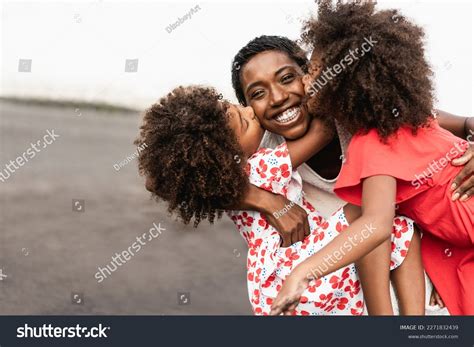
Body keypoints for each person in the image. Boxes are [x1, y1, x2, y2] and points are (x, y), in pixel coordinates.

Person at [135, 85, 418, 315]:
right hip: (296, 270)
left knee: (393, 227)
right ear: (226, 153)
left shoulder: (220, 181)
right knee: (371, 213)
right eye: (244, 121)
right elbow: (324, 130)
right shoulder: (262, 166)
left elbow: (155, 182)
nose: (251, 111)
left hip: (271, 290)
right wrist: (314, 85)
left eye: (241, 108)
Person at [269, 0, 473, 316]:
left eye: (317, 70)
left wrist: (303, 272)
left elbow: (375, 226)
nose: (307, 81)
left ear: (348, 80)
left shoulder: (373, 142)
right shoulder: (408, 120)